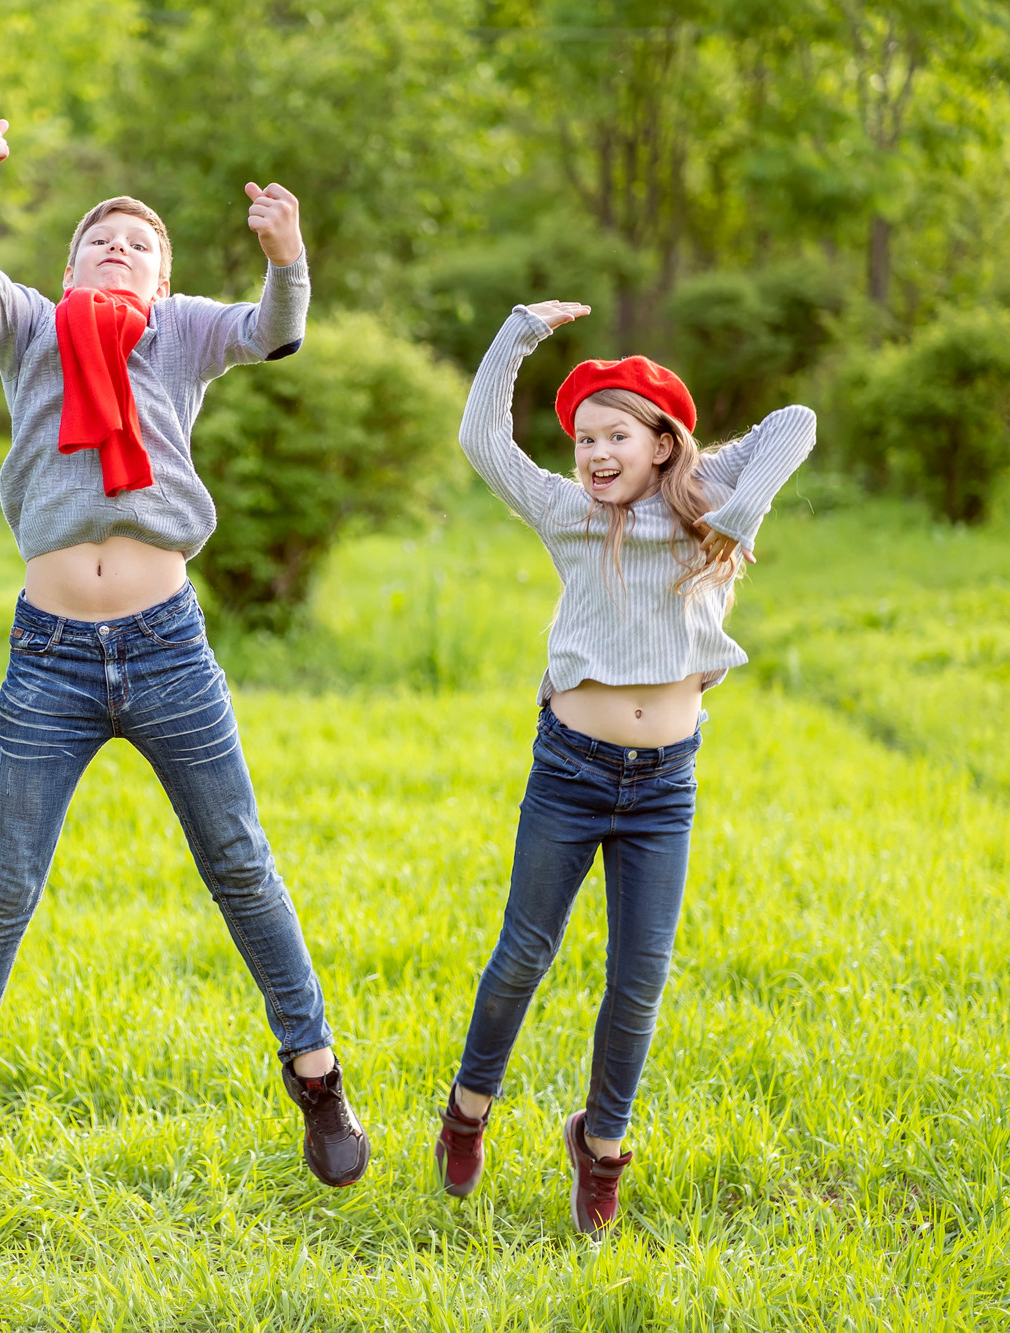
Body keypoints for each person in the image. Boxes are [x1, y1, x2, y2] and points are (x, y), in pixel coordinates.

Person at [0, 116, 368, 1213]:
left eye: (139, 244)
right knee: (4, 882)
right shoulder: (29, 327)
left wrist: (285, 255)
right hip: (51, 656)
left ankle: (316, 1077)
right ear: (67, 266)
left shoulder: (181, 333)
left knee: (241, 862)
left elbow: (275, 332)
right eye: (100, 241)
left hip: (168, 647)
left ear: (163, 277)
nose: (119, 250)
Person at [436, 299, 815, 1237]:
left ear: (660, 442)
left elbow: (795, 422)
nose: (596, 454)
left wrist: (743, 504)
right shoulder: (569, 511)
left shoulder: (703, 505)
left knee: (638, 977)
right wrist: (517, 329)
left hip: (665, 785)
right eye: (583, 439)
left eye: (615, 435)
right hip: (570, 769)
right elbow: (483, 440)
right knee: (526, 950)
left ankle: (601, 1146)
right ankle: (468, 1107)